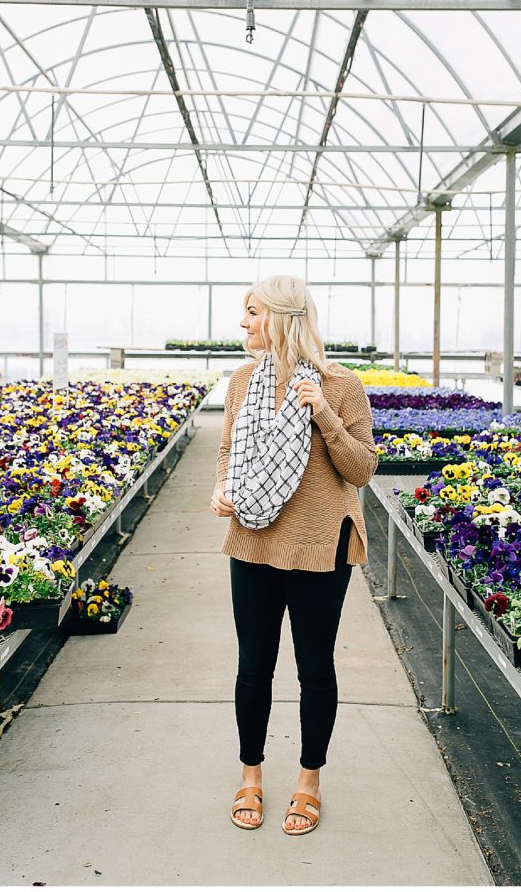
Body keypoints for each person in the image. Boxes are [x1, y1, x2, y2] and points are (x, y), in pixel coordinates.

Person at [210, 274, 378, 836]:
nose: (243, 322)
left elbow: (361, 470)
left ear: (281, 317)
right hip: (253, 539)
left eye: (252, 311)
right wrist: (219, 488)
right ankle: (251, 775)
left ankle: (309, 780)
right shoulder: (240, 382)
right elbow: (229, 449)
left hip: (318, 546)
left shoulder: (340, 384)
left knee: (314, 668)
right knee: (253, 665)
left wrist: (322, 414)